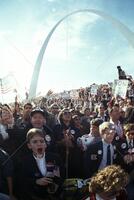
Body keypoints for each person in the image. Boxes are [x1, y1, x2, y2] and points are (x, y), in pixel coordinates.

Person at [17, 128, 63, 200]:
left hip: (54, 195)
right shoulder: (25, 161)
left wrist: (55, 186)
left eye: (42, 141)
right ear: (29, 146)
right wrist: (36, 181)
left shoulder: (55, 158)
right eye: (35, 142)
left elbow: (61, 175)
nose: (39, 144)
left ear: (45, 144)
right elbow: (22, 181)